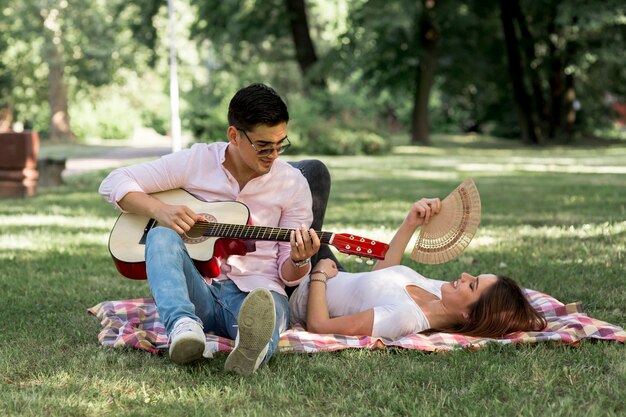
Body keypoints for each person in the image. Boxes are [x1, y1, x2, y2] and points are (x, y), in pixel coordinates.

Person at [99, 83, 322, 375]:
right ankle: (184, 328)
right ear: (234, 135)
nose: (274, 155)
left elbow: (287, 273)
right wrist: (160, 211)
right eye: (264, 146)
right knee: (160, 234)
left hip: (258, 291)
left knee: (269, 311)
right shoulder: (196, 161)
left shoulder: (292, 184)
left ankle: (251, 347)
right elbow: (114, 182)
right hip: (199, 290)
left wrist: (299, 258)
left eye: (281, 144)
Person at [289, 198, 547, 339]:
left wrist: (320, 274)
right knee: (313, 175)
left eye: (472, 285)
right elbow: (381, 277)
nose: (464, 276)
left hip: (296, 287)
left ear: (469, 315)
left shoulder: (404, 318)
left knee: (307, 185)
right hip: (326, 270)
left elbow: (319, 326)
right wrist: (410, 222)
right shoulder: (439, 293)